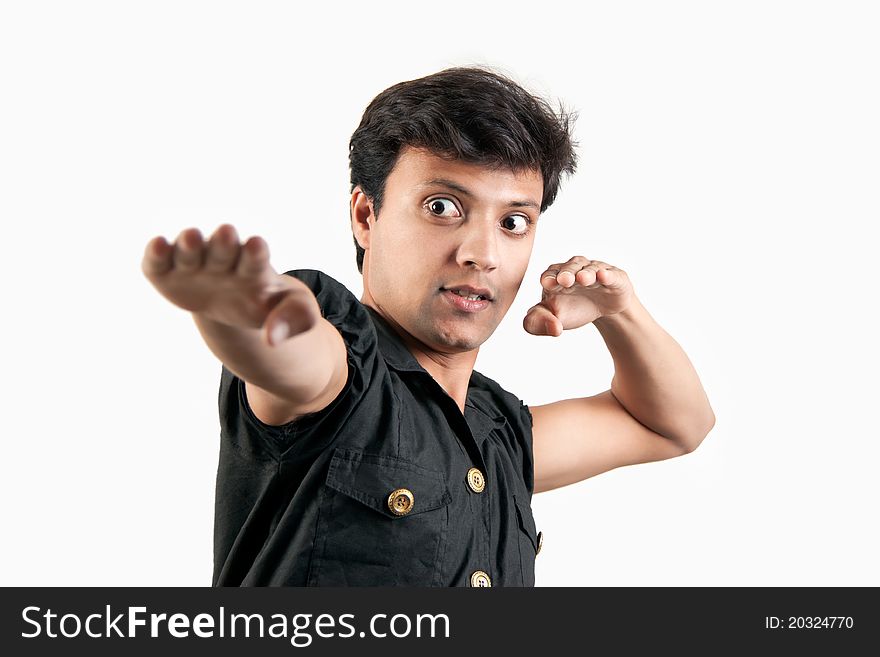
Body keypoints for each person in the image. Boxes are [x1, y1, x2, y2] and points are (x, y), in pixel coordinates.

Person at [141, 66, 715, 587]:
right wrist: (244, 309)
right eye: (442, 207)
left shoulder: (502, 440)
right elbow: (295, 360)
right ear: (366, 216)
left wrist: (621, 313)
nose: (482, 253)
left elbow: (675, 426)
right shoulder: (346, 377)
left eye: (514, 221)